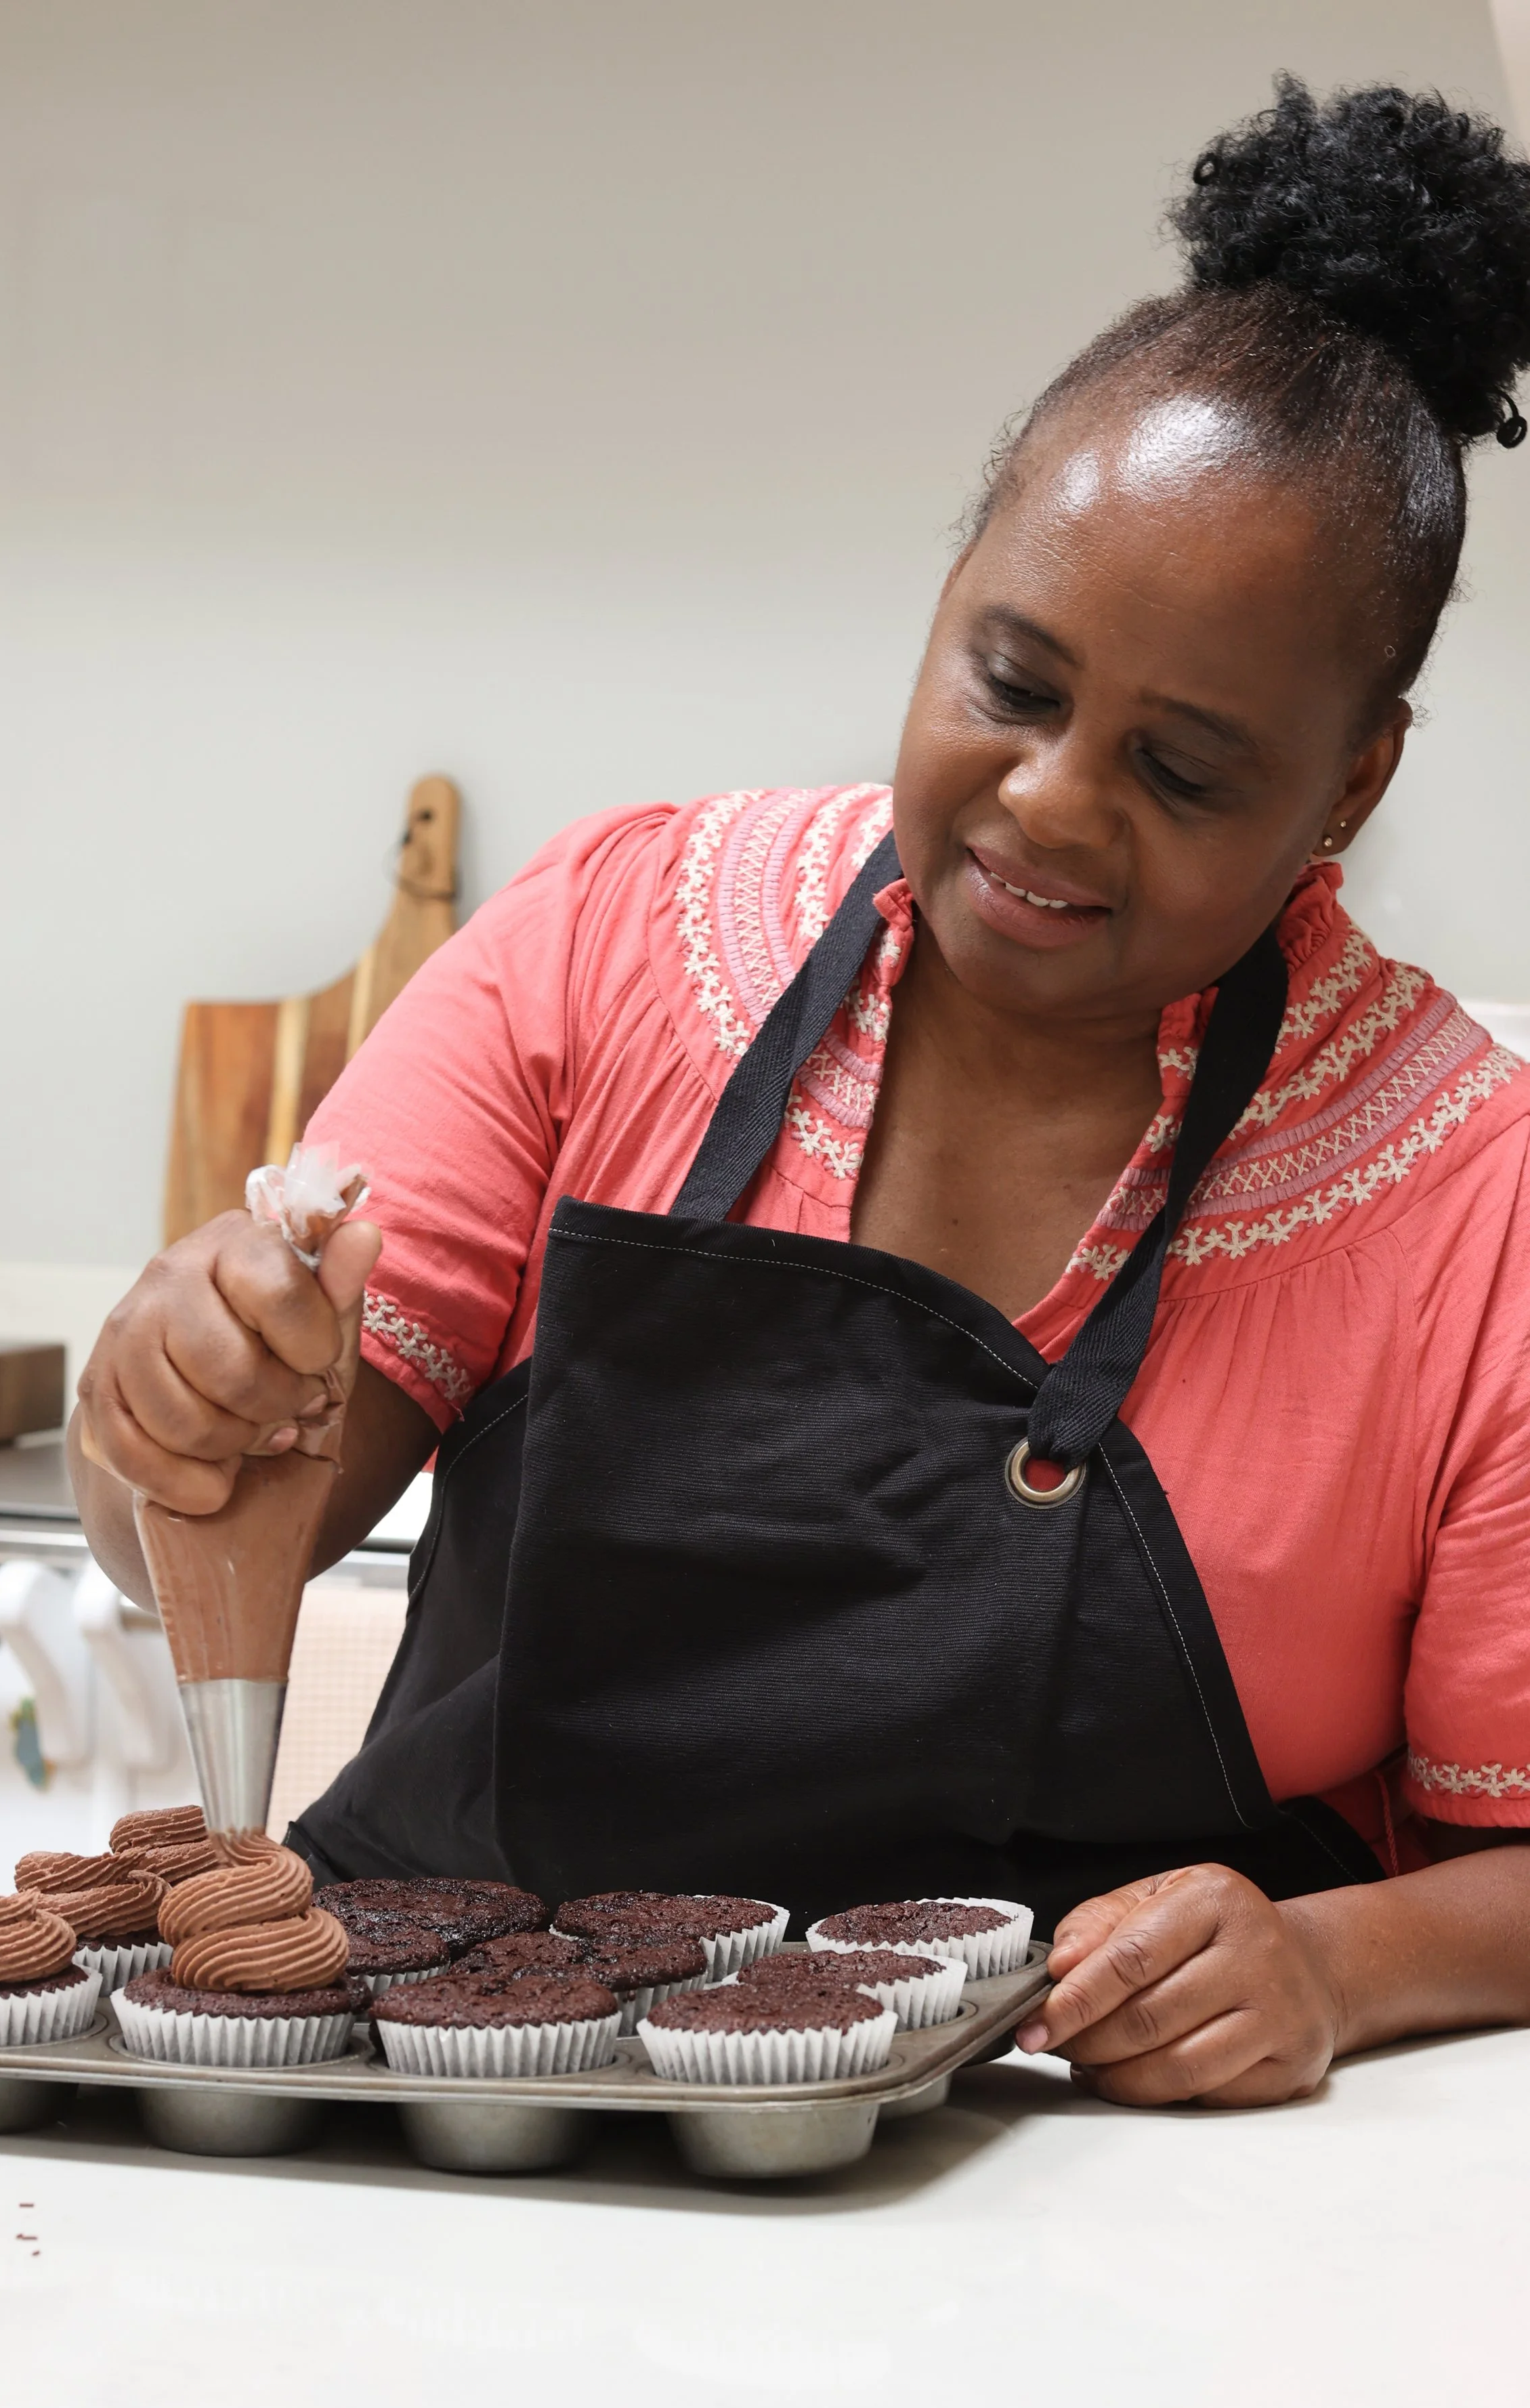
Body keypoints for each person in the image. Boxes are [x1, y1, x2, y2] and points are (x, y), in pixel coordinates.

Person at [74, 79, 1530, 2107]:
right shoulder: (609, 942)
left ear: (1349, 786)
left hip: (1073, 2214)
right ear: (946, 593)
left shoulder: (1470, 1207)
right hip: (463, 2124)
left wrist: (1330, 1961)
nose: (1048, 804)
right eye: (1008, 683)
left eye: (1182, 773)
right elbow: (202, 1524)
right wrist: (169, 1391)